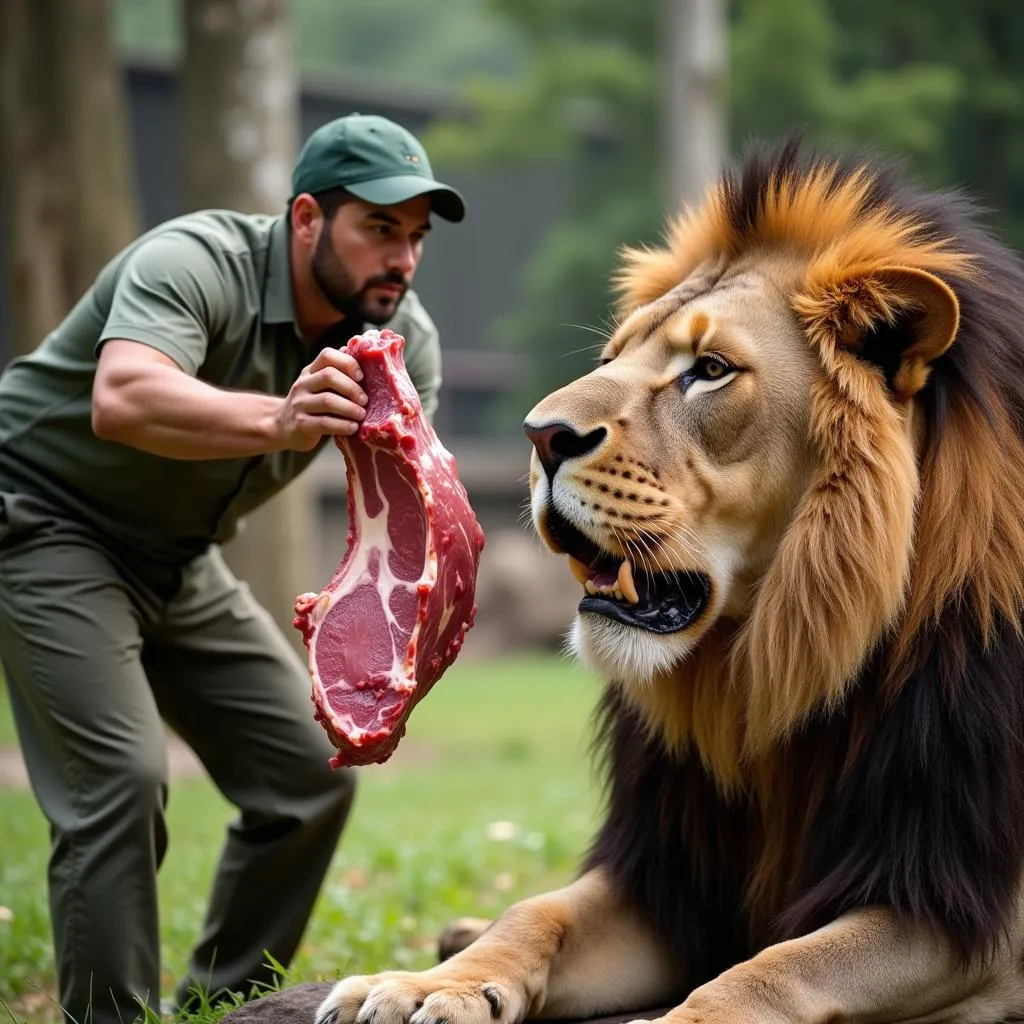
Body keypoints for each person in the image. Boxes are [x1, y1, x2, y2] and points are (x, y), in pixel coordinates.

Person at [0, 112, 466, 1024]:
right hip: (47, 520)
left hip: (179, 557)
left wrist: (385, 641)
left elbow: (398, 525)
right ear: (304, 221)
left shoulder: (405, 338)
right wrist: (278, 420)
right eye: (379, 228)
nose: (403, 259)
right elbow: (123, 395)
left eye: (415, 236)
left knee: (308, 775)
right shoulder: (196, 261)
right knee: (122, 782)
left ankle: (218, 1009)